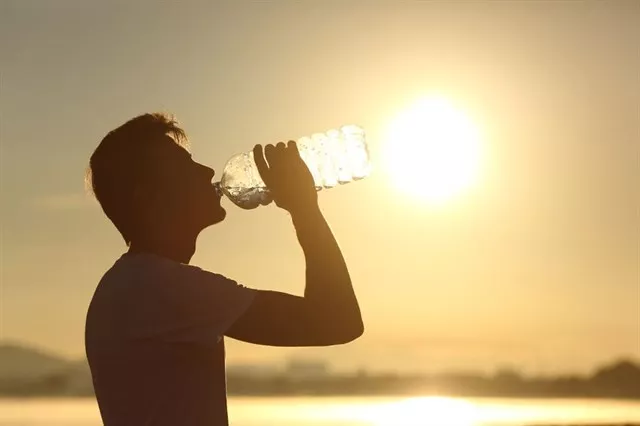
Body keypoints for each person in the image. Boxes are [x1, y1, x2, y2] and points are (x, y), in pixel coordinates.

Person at [84, 113, 364, 426]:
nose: (207, 171)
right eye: (185, 166)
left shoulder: (131, 285)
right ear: (149, 197)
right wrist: (304, 207)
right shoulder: (159, 287)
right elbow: (337, 322)